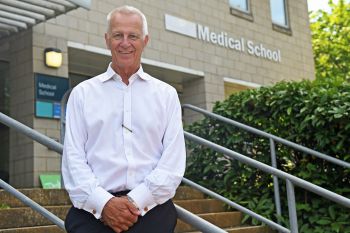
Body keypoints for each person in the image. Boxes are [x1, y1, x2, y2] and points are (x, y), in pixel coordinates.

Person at [62, 5, 186, 233]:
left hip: (152, 212)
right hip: (92, 213)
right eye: (118, 35)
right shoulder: (82, 94)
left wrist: (134, 202)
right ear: (107, 39)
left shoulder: (166, 95)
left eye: (133, 36)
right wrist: (104, 204)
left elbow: (173, 163)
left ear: (145, 40)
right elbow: (73, 159)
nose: (125, 43)